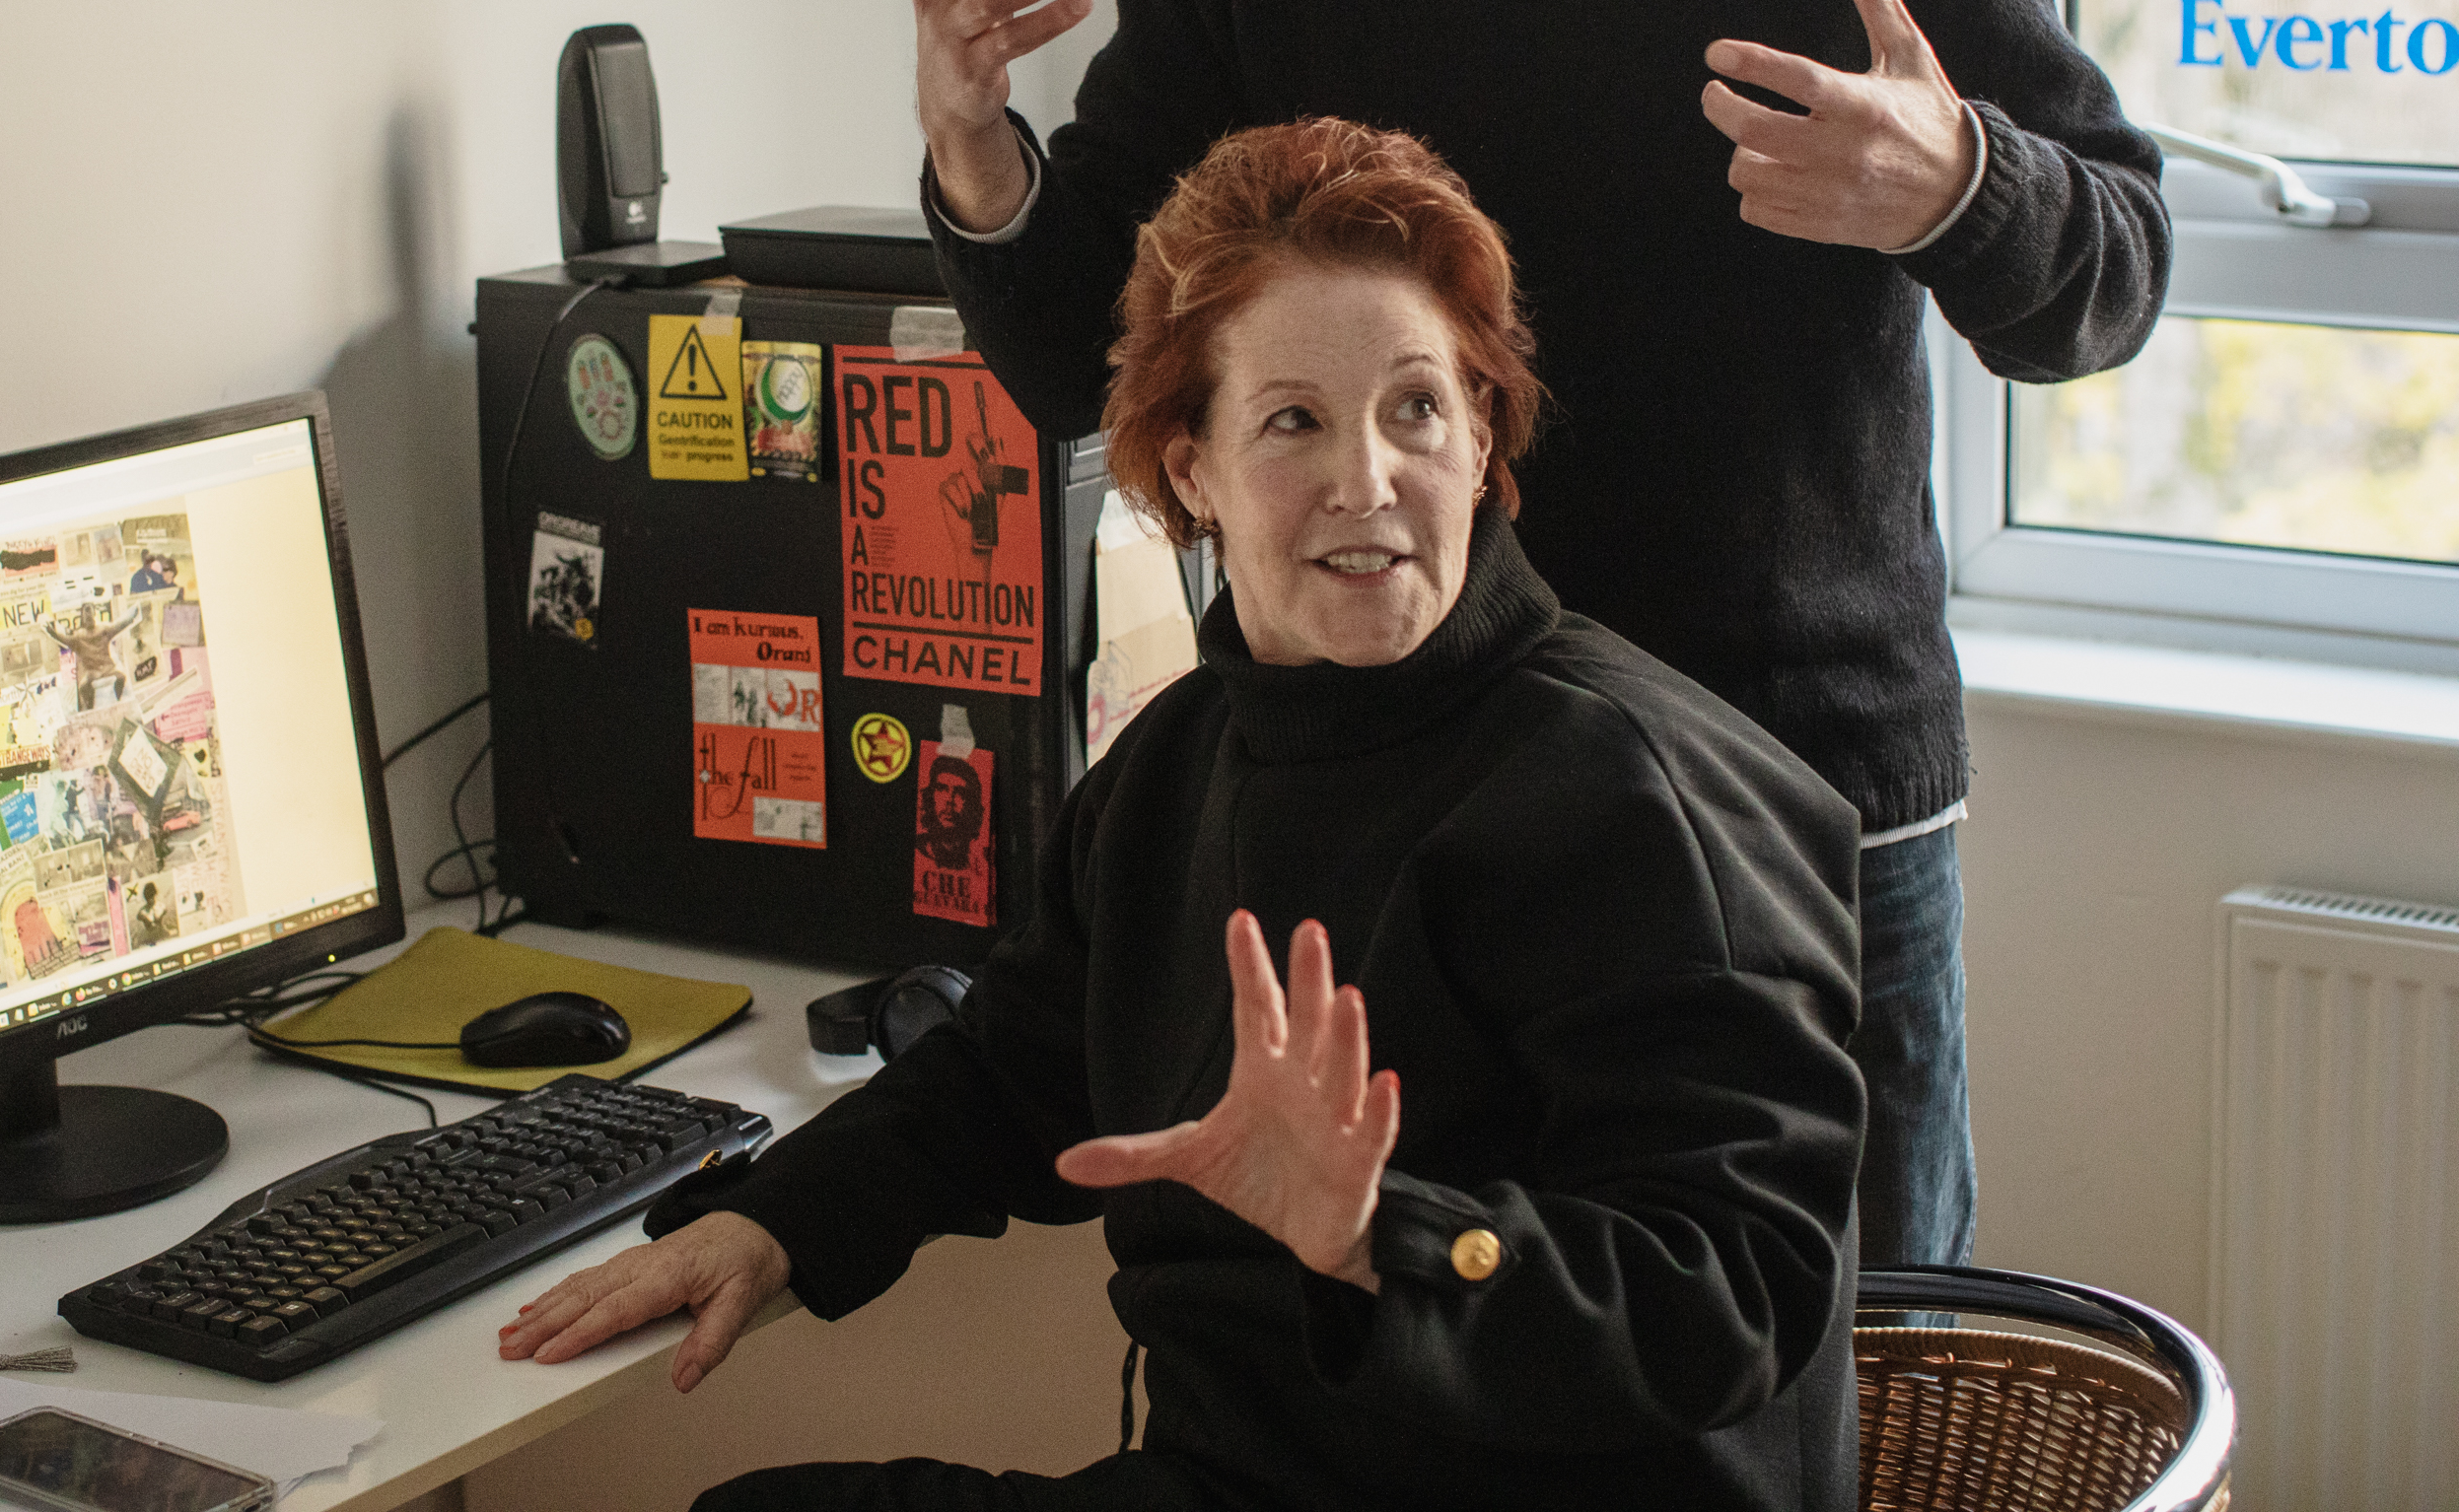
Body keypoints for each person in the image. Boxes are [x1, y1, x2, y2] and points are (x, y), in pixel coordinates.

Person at [905, 0, 2170, 1270]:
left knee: (1837, 1402)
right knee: (1451, 1391)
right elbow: (1096, 352)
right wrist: (978, 149)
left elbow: (2108, 281)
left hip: (1805, 809)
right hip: (1409, 819)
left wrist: (1958, 184)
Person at [502, 119, 1864, 1512]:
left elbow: (1733, 1294)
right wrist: (769, 1220)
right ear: (1189, 472)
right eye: (1292, 421)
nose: (1366, 480)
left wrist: (1373, 1234)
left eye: (1415, 409)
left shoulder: (1641, 794)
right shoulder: (1178, 760)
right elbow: (1013, 1063)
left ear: (1482, 434)